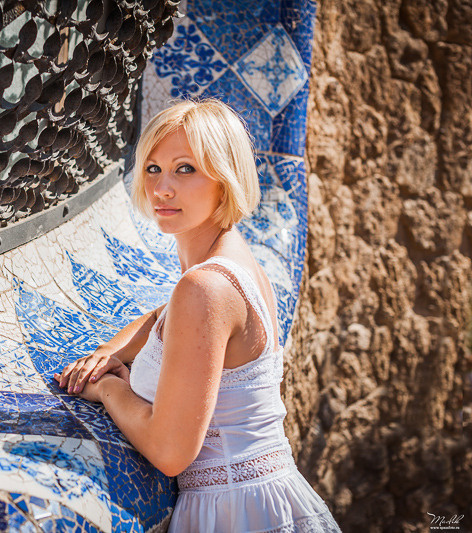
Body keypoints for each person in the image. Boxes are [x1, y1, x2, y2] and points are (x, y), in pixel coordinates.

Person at [54, 99, 341, 532]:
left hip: (236, 513)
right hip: (268, 498)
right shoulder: (235, 264)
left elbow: (170, 453)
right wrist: (109, 350)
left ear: (224, 182)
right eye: (152, 168)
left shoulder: (204, 288)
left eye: (184, 169)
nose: (161, 188)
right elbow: (162, 317)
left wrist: (108, 387)